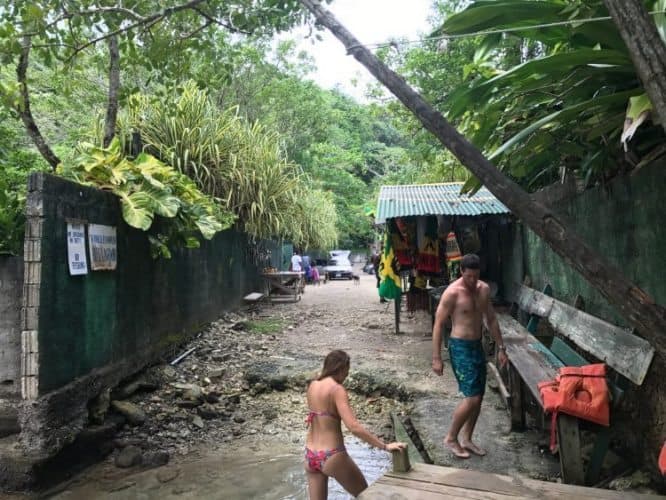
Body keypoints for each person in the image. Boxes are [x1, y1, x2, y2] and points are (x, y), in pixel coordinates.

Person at [431, 253, 508, 459]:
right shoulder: (452, 293)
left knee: (479, 396)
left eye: (476, 276)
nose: (473, 281)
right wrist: (436, 357)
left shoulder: (483, 290)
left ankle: (467, 439)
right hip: (459, 347)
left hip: (477, 345)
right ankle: (451, 438)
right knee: (472, 397)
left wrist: (501, 347)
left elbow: (491, 319)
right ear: (461, 272)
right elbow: (438, 324)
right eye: (469, 277)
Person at [305, 350, 406, 499]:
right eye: (347, 370)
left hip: (310, 455)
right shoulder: (336, 390)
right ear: (341, 368)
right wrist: (384, 446)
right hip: (331, 455)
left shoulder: (313, 385)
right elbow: (353, 427)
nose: (346, 375)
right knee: (365, 495)